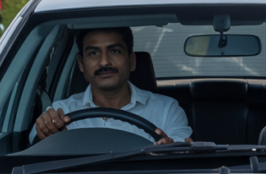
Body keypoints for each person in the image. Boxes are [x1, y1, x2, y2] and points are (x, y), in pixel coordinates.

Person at [33, 27, 192, 144]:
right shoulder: (62, 112)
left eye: (114, 51)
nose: (104, 62)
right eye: (94, 53)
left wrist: (172, 149)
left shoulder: (167, 110)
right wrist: (43, 129)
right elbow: (32, 147)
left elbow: (183, 150)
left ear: (131, 61)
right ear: (81, 64)